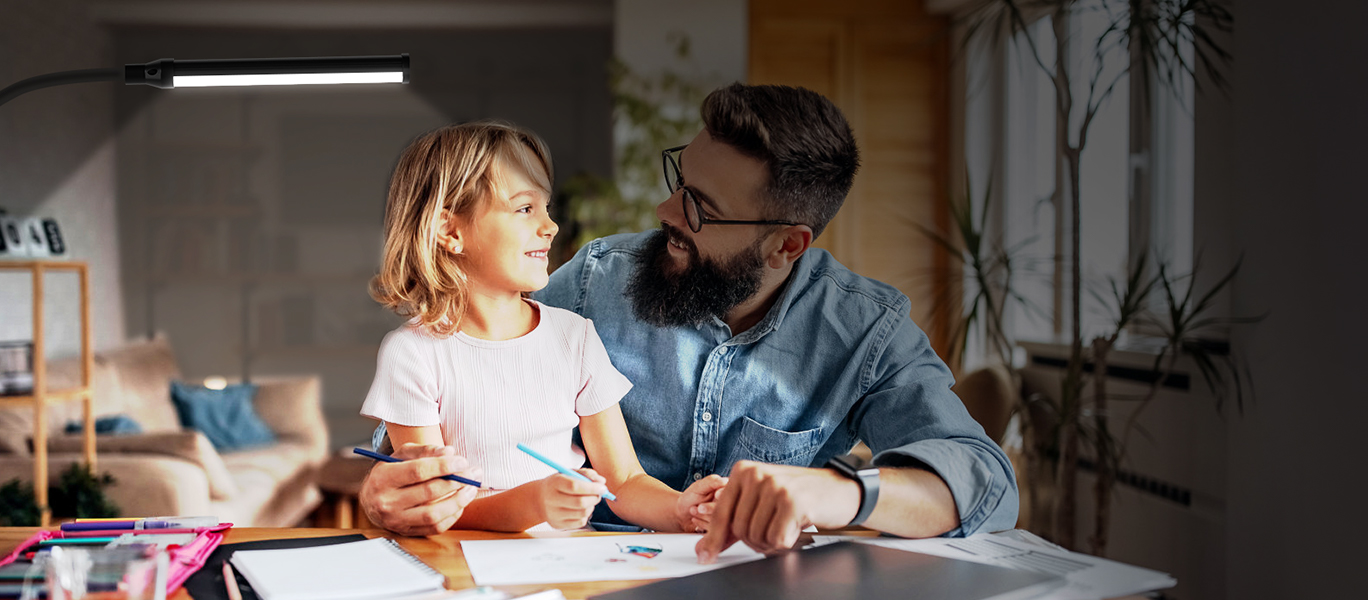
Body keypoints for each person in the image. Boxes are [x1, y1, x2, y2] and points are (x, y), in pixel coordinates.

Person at [362, 85, 1018, 556]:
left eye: (699, 208)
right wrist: (391, 496)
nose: (664, 210)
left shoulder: (866, 332)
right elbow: (457, 414)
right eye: (680, 180)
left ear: (786, 245)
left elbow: (981, 479)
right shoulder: (595, 281)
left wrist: (832, 495)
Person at [358, 121, 724, 533]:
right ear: (450, 231)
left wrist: (684, 510)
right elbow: (437, 504)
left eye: (546, 208)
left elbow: (624, 481)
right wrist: (535, 502)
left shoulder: (574, 337)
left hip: (567, 570)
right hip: (467, 568)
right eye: (524, 208)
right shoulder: (412, 354)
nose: (550, 226)